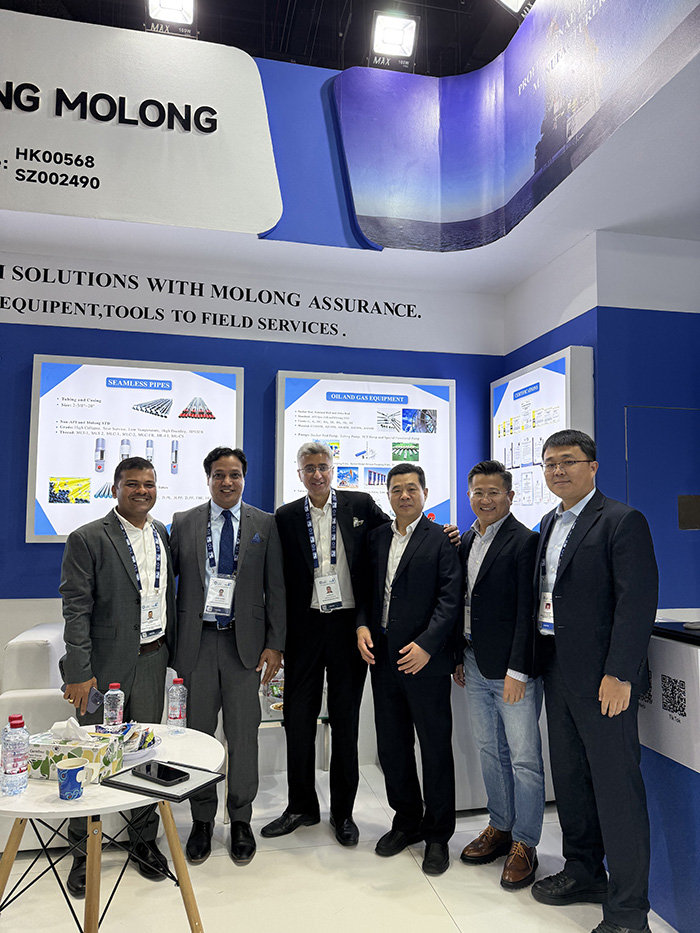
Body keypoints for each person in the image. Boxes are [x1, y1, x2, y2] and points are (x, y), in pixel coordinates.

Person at [531, 430, 658, 933]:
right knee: (571, 782)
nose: (558, 470)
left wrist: (620, 672)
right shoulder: (549, 522)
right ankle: (584, 871)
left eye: (568, 461)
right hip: (557, 670)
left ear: (593, 466)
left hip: (605, 678)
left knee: (616, 791)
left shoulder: (622, 521)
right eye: (550, 463)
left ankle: (628, 913)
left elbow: (636, 603)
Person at [261, 442, 390, 847]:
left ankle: (343, 813)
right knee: (297, 720)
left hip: (349, 628)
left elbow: (397, 534)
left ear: (334, 470)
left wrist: (443, 533)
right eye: (309, 468)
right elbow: (276, 581)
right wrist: (276, 638)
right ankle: (301, 806)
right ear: (299, 473)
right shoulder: (285, 517)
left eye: (322, 467)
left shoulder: (360, 505)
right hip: (305, 629)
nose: (316, 474)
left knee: (345, 722)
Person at [60, 457, 177, 897]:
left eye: (149, 484)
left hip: (152, 659)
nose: (142, 491)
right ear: (115, 489)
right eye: (132, 484)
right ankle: (82, 851)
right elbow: (76, 608)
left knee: (145, 755)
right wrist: (79, 673)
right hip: (102, 667)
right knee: (91, 756)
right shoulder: (88, 537)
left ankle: (143, 841)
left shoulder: (162, 532)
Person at [170, 446, 285, 865]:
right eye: (219, 474)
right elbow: (167, 584)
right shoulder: (184, 522)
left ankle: (240, 819)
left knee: (243, 736)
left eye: (234, 474)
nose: (227, 482)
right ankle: (202, 819)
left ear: (243, 478)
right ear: (208, 479)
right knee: (199, 736)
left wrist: (275, 643)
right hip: (197, 644)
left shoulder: (264, 524)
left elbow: (276, 587)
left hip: (244, 646)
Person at [357, 463, 462, 875]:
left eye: (411, 488)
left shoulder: (442, 539)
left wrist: (427, 646)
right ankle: (406, 821)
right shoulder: (376, 538)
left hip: (425, 662)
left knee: (434, 749)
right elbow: (366, 591)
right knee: (392, 745)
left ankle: (438, 835)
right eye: (397, 489)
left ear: (425, 493)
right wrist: (362, 625)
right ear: (387, 495)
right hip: (383, 658)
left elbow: (450, 601)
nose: (404, 495)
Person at [453, 460, 544, 889]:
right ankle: (500, 825)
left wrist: (518, 670)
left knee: (524, 759)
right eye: (478, 492)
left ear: (510, 496)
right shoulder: (467, 538)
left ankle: (525, 842)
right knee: (490, 751)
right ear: (468, 495)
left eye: (493, 492)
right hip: (473, 660)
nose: (485, 499)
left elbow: (529, 612)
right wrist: (458, 655)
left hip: (511, 669)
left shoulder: (525, 541)